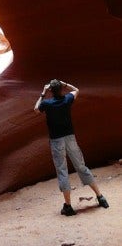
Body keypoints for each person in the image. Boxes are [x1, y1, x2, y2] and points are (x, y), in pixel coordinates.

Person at [34, 79, 109, 216]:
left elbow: (36, 109)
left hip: (57, 141)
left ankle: (68, 206)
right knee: (81, 166)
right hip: (70, 138)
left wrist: (43, 93)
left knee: (62, 170)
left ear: (51, 90)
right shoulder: (67, 99)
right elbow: (77, 90)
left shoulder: (47, 103)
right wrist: (65, 84)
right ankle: (100, 197)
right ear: (61, 89)